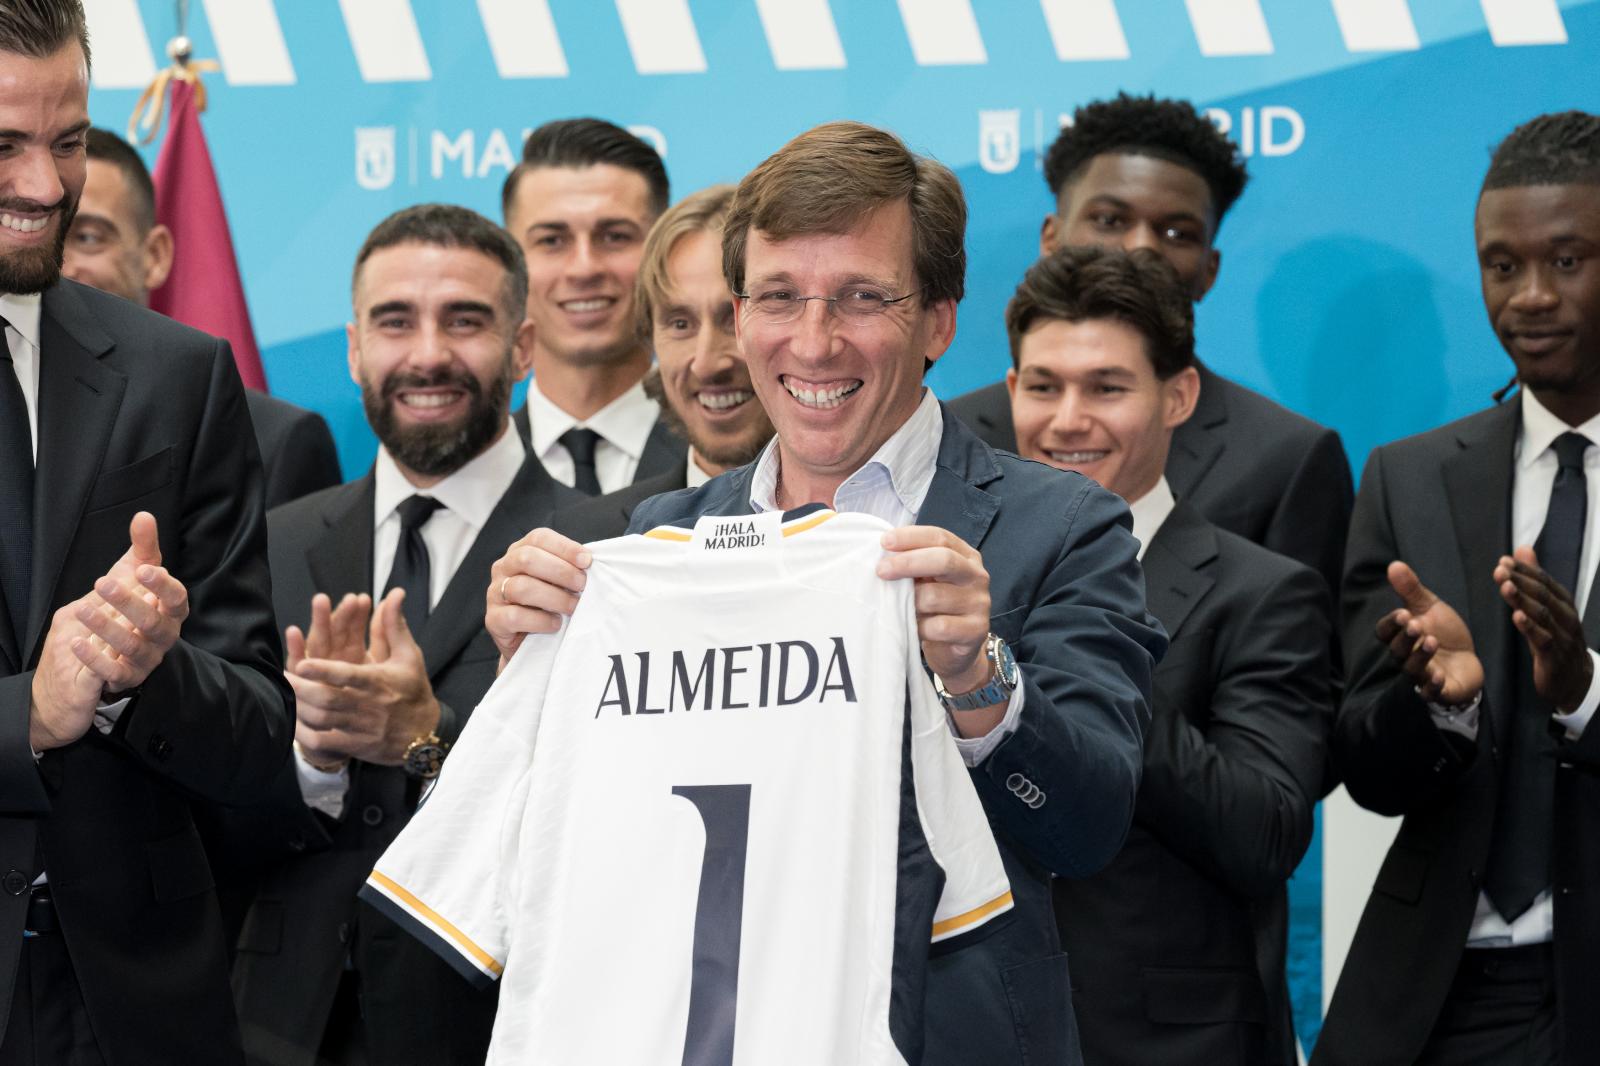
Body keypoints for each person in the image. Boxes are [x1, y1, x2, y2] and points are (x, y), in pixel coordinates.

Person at [486, 120, 1164, 1065]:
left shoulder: (1063, 526)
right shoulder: (655, 541)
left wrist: (978, 679)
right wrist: (534, 683)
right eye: (778, 297)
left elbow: (1088, 826)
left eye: (861, 297)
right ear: (740, 314)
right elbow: (579, 851)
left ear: (938, 320)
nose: (813, 342)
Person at [0, 4, 294, 1063]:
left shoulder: (179, 375)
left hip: (138, 1017)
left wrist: (141, 676)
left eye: (69, 141)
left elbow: (260, 733)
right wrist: (29, 713)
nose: (46, 186)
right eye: (4, 145)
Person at [223, 204, 580, 1065]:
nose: (427, 354)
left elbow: (599, 813)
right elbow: (208, 808)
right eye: (395, 322)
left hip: (493, 1023)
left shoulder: (595, 551)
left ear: (523, 347)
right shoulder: (271, 541)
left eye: (464, 321)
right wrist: (312, 758)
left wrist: (427, 739)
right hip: (277, 1027)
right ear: (353, 350)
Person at [1316, 111, 1600, 1066]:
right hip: (1440, 993)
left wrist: (1585, 692)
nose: (1530, 296)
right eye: (1501, 265)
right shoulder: (1408, 478)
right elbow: (1365, 766)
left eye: (1568, 261)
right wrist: (1439, 706)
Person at [1005, 246, 1331, 1065]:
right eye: (1043, 386)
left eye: (1106, 388)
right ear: (1010, 391)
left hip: (1173, 1044)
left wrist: (1095, 667)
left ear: (1178, 396)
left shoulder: (1261, 592)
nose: (1067, 420)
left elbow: (1265, 834)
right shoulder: (961, 575)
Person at [947, 93, 1352, 604]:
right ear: (1051, 238)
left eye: (1177, 232)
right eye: (1110, 220)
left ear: (1209, 269)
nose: (1142, 247)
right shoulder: (953, 436)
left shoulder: (1287, 458)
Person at [64, 128, 342, 508]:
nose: (61, 266)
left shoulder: (271, 443)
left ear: (155, 256)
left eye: (88, 237)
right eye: (47, 237)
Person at [555, 183, 774, 541]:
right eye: (680, 324)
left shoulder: (865, 528)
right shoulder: (585, 543)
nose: (707, 364)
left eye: (731, 319)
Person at [502, 117, 683, 494]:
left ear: (662, 251)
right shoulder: (471, 471)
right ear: (511, 262)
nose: (584, 268)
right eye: (552, 240)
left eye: (615, 236)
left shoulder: (739, 458)